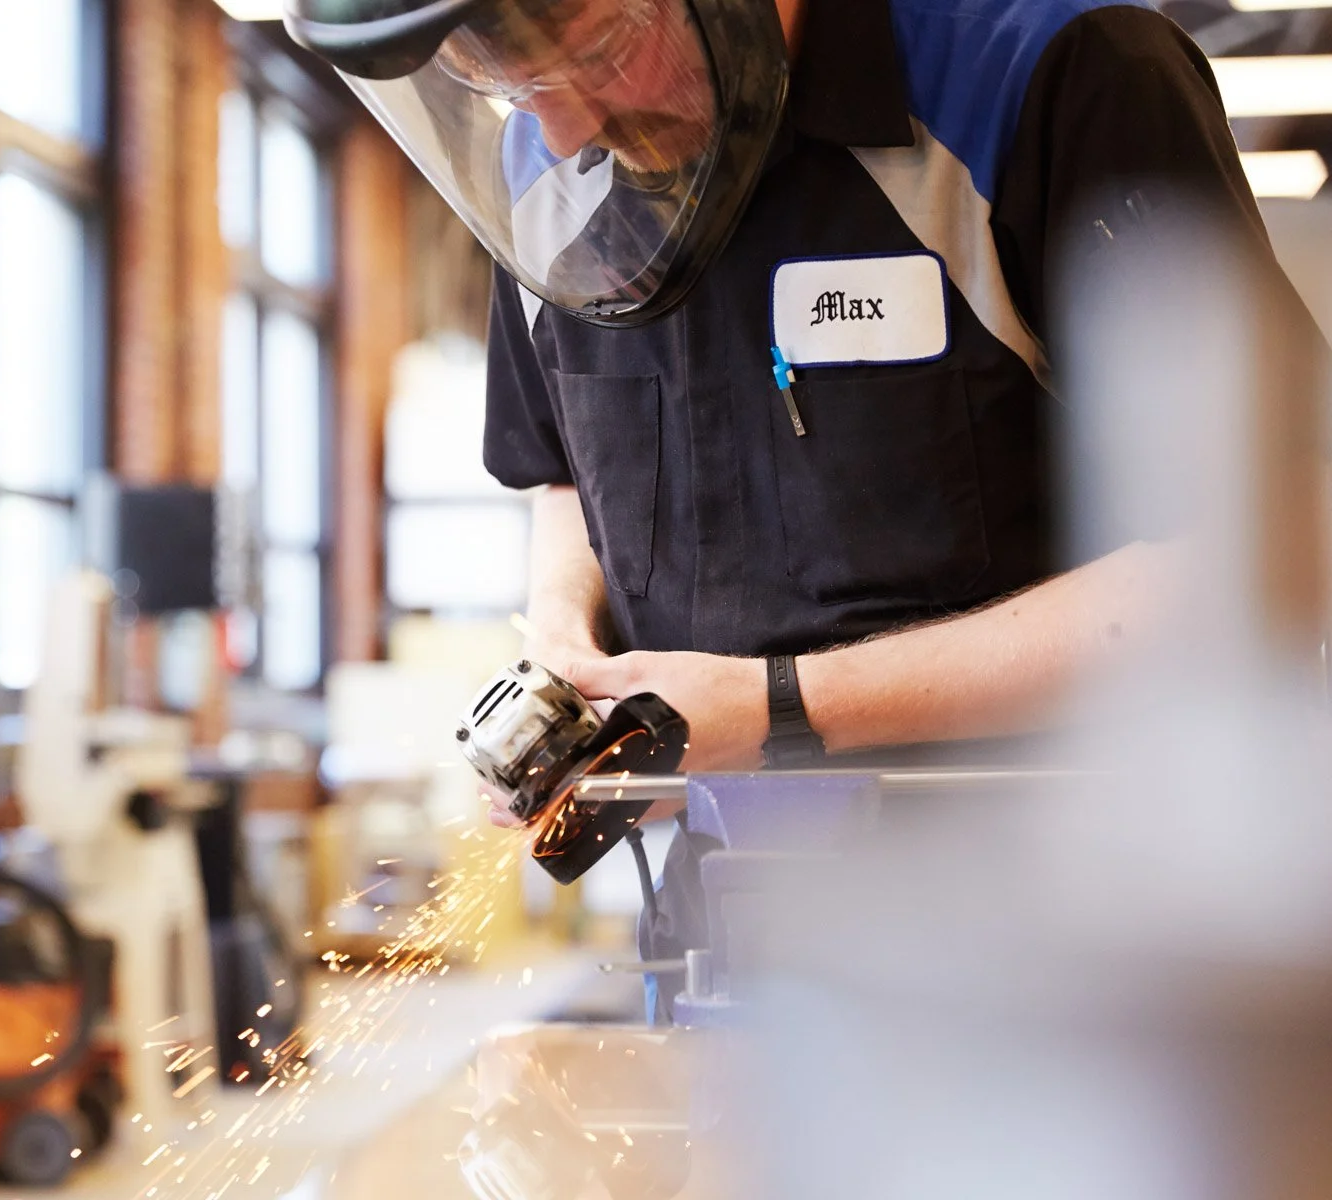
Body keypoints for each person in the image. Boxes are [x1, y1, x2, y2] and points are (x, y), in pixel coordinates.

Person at [285, 0, 1327, 1015]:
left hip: (1066, 986)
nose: (565, 130)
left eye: (600, 49)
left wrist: (782, 710)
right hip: (723, 968)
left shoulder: (1054, 81)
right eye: (510, 86)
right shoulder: (547, 170)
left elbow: (1274, 554)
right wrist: (568, 637)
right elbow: (567, 472)